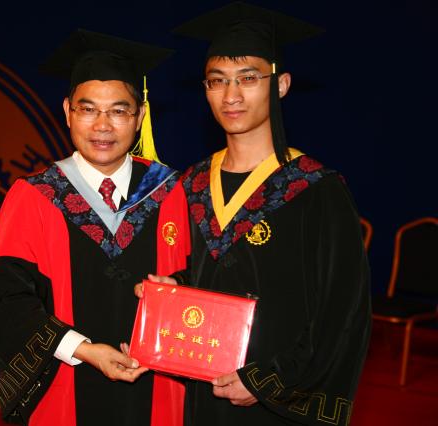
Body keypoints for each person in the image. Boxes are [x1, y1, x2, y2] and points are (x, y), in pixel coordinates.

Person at [138, 2, 372, 425]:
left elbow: (342, 311)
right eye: (217, 81)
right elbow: (205, 274)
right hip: (202, 393)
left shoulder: (315, 189)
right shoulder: (192, 183)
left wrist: (271, 381)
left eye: (248, 78)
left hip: (275, 402)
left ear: (280, 85)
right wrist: (174, 289)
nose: (231, 96)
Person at [0, 29, 189, 426]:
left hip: (157, 389)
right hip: (65, 385)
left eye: (118, 111)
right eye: (88, 109)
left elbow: (200, 277)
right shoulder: (35, 196)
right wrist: (83, 349)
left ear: (140, 116)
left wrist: (178, 285)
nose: (103, 125)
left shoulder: (170, 192)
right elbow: (7, 303)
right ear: (67, 112)